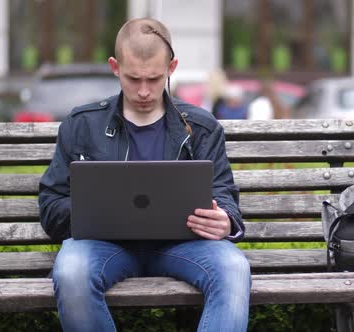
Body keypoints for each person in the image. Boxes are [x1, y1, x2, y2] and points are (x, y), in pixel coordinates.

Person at [38, 18, 250, 332]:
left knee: (234, 268)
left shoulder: (202, 127)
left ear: (172, 67)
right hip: (104, 246)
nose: (144, 91)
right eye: (133, 78)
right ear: (114, 66)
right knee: (71, 270)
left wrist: (226, 221)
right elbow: (51, 205)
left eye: (154, 78)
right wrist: (87, 211)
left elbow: (226, 198)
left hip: (182, 246)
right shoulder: (82, 124)